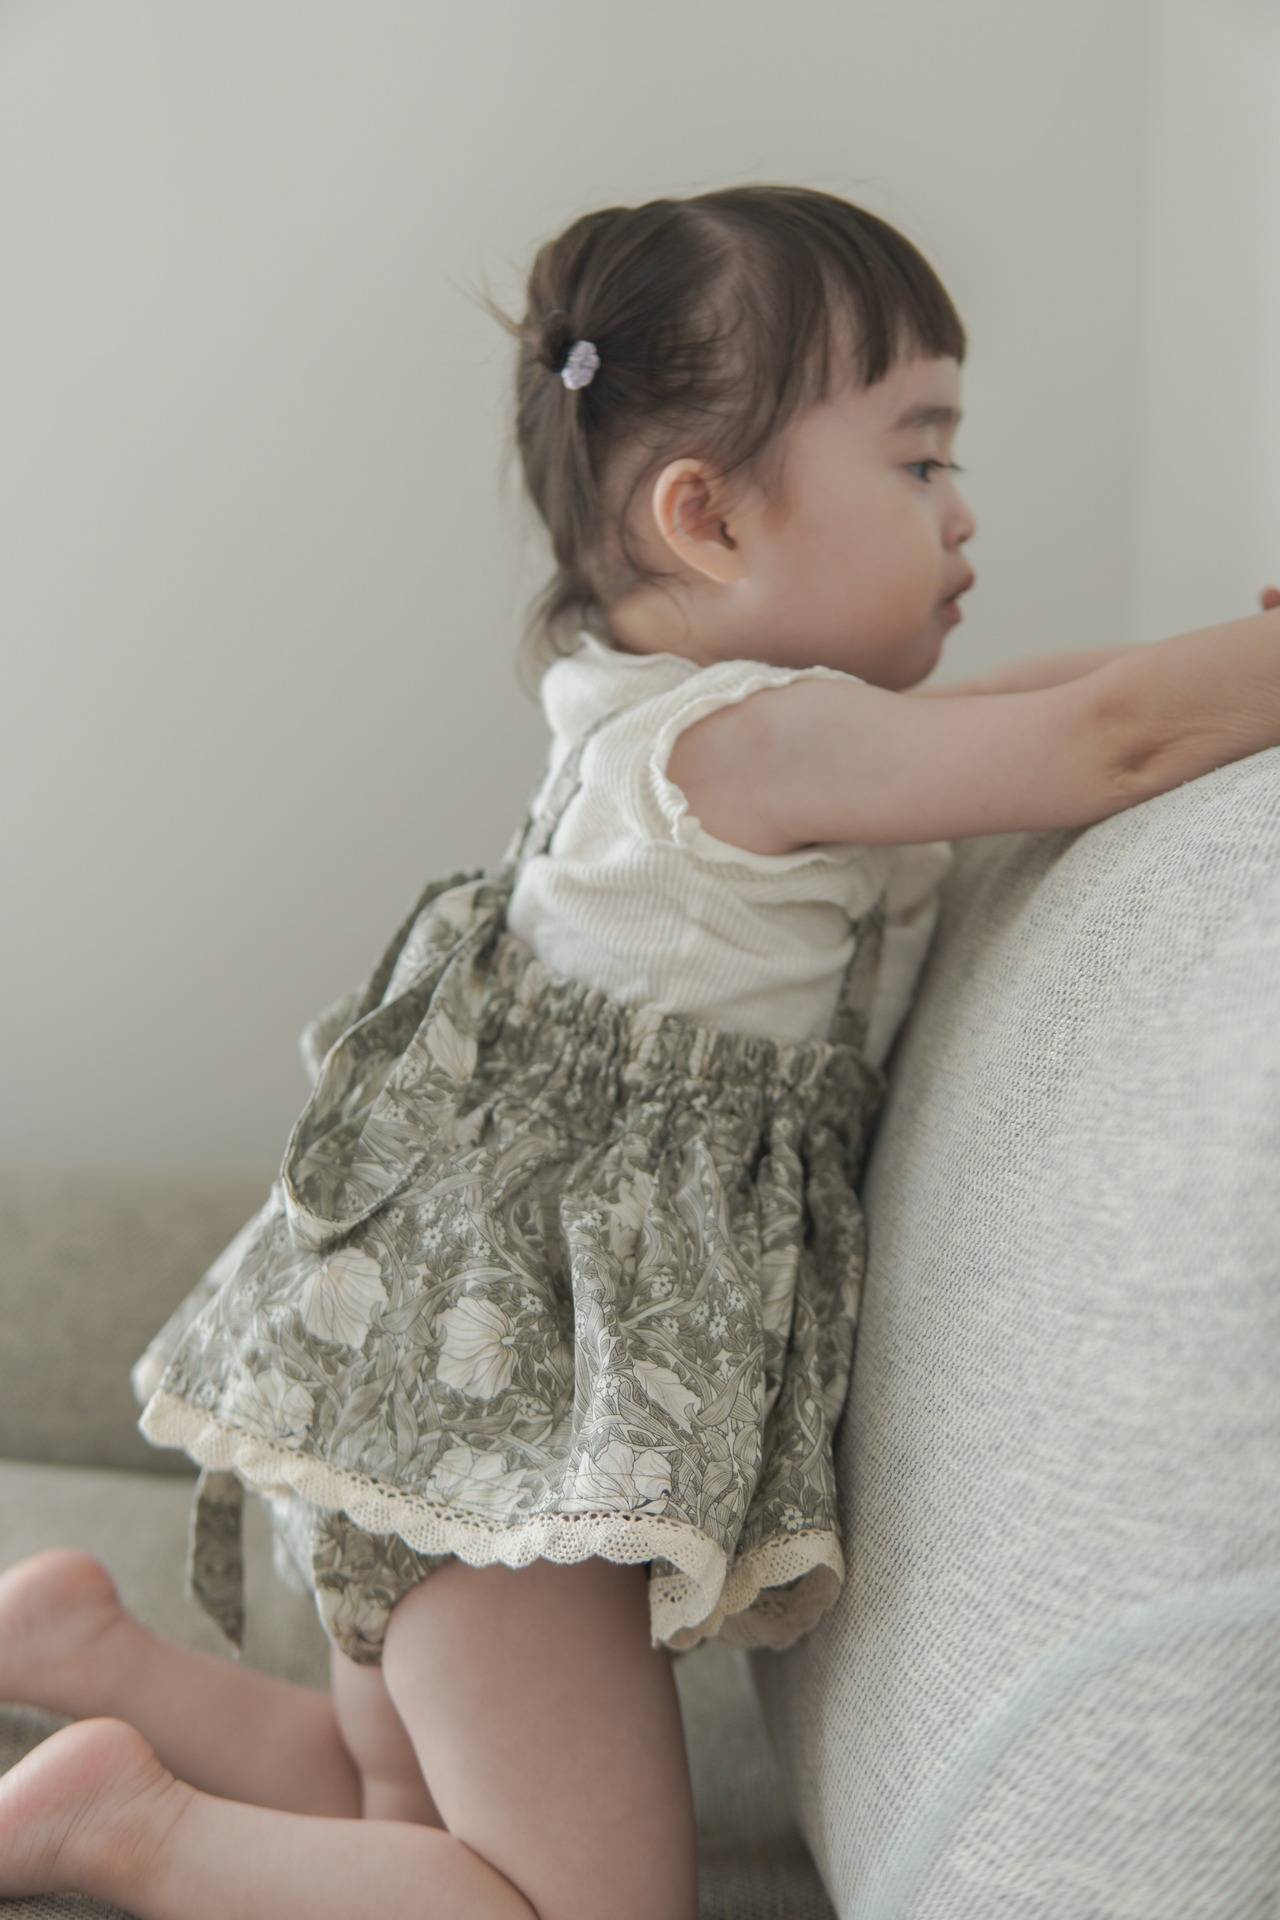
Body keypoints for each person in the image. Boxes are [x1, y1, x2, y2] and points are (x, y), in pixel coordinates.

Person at [1, 184, 1278, 1920]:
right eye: (920, 460)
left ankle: (94, 1659)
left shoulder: (677, 723)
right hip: (505, 1441)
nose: (964, 511)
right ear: (708, 516)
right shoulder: (745, 753)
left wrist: (1234, 655)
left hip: (419, 1394)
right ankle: (121, 1829)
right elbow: (1107, 739)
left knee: (402, 1819)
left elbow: (1045, 704)